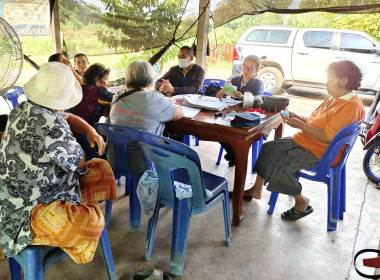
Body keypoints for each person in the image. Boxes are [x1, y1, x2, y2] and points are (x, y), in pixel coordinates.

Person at [0, 62, 116, 263]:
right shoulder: (53, 126)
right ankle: (41, 231)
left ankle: (74, 207)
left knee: (99, 169)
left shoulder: (21, 109)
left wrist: (90, 130)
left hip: (9, 199)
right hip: (30, 211)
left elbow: (67, 116)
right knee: (92, 221)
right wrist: (74, 137)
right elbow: (79, 161)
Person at [244, 60, 365, 221]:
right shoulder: (336, 98)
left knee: (281, 163)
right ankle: (257, 190)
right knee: (269, 148)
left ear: (343, 81)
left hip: (322, 152)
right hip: (307, 141)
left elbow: (327, 137)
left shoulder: (350, 106)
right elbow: (314, 120)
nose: (326, 83)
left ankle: (302, 202)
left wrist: (300, 124)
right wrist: (297, 117)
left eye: (330, 79)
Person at [110, 60, 183, 134]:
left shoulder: (117, 97)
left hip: (120, 145)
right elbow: (180, 113)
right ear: (151, 80)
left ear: (127, 79)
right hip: (148, 145)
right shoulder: (156, 100)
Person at [216, 55, 264, 166]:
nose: (246, 70)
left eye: (250, 68)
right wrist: (225, 88)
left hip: (248, 115)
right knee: (218, 128)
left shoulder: (257, 83)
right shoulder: (235, 80)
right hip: (232, 113)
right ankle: (234, 154)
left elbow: (257, 100)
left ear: (256, 71)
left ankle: (234, 154)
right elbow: (218, 96)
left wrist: (242, 97)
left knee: (237, 131)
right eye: (244, 67)